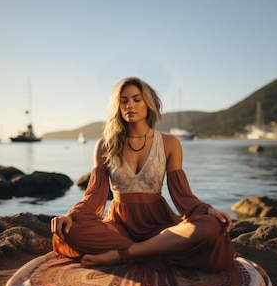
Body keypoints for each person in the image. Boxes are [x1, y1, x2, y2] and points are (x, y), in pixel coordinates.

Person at [51, 77, 235, 272]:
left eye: (137, 99)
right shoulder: (105, 145)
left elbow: (183, 196)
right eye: (124, 101)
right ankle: (152, 251)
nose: (130, 105)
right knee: (69, 231)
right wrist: (71, 215)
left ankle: (124, 254)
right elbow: (94, 195)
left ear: (149, 103)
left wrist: (206, 210)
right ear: (118, 106)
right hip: (118, 225)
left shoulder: (169, 143)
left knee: (211, 226)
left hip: (158, 225)